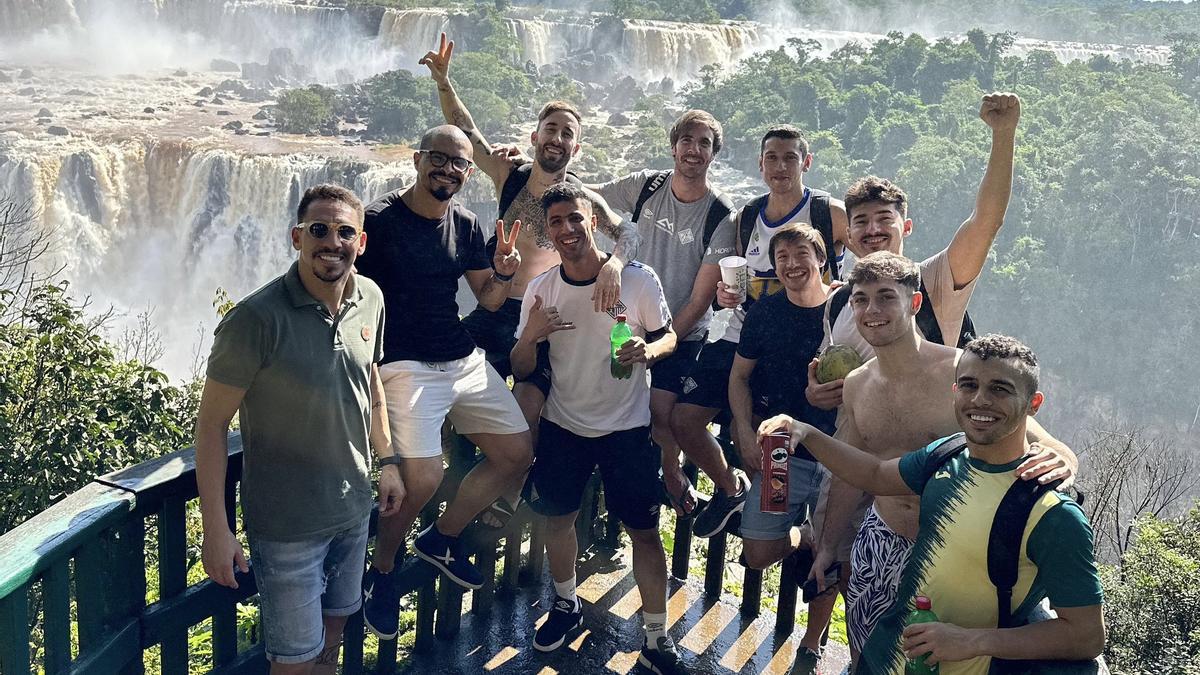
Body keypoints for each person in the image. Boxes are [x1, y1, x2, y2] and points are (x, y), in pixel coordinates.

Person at [801, 92, 1034, 658]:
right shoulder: (841, 301)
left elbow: (986, 221)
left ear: (904, 225)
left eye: (884, 220)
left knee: (930, 650)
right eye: (861, 223)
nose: (873, 230)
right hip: (862, 458)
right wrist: (814, 391)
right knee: (854, 600)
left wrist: (1003, 134)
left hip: (940, 512)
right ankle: (818, 648)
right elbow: (838, 384)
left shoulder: (931, 281)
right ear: (847, 236)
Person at [762, 333, 1105, 674]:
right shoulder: (948, 454)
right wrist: (804, 431)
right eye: (969, 385)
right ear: (954, 391)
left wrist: (973, 641)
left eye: (999, 389)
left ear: (1033, 403)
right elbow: (875, 474)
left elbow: (1085, 635)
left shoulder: (1052, 513)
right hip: (887, 656)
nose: (980, 400)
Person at [808, 253, 1077, 665]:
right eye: (860, 300)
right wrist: (828, 545)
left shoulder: (963, 376)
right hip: (881, 538)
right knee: (867, 651)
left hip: (952, 552)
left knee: (939, 663)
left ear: (914, 303)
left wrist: (1066, 462)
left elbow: (1046, 443)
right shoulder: (858, 384)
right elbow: (854, 473)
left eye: (885, 297)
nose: (872, 310)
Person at [195, 184, 404, 674]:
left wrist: (389, 461)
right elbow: (210, 427)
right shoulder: (254, 320)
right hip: (287, 527)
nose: (332, 241)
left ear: (362, 242)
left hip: (353, 510)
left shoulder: (370, 297)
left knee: (332, 640)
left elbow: (370, 382)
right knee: (293, 663)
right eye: (319, 230)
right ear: (296, 236)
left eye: (344, 231)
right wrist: (216, 529)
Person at [355, 126, 533, 640]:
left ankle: (442, 536)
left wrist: (502, 272)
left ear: (467, 172)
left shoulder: (467, 223)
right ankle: (381, 572)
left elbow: (490, 299)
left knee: (517, 452)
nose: (448, 169)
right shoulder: (378, 221)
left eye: (458, 163)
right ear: (416, 159)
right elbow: (343, 288)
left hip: (461, 358)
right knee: (425, 478)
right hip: (404, 364)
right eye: (439, 158)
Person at [511, 183, 687, 674]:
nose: (567, 229)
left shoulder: (636, 279)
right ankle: (565, 605)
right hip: (563, 424)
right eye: (557, 222)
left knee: (645, 532)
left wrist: (646, 352)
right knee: (558, 520)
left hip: (627, 429)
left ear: (593, 221)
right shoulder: (542, 288)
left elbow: (668, 336)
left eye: (575, 219)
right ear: (547, 231)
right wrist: (531, 334)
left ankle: (656, 635)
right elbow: (521, 364)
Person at [669, 124, 850, 540]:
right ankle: (735, 492)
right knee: (684, 418)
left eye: (790, 158)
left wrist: (852, 292)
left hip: (801, 340)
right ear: (760, 164)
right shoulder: (747, 216)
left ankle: (778, 522)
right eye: (772, 157)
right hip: (743, 333)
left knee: (757, 431)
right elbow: (730, 282)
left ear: (806, 162)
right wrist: (722, 297)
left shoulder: (828, 212)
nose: (781, 166)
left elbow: (877, 259)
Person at [588, 109, 737, 515]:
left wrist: (663, 339)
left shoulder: (721, 214)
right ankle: (622, 490)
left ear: (713, 154)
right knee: (616, 406)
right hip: (625, 322)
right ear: (674, 146)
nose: (694, 149)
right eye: (687, 140)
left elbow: (699, 300)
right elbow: (587, 197)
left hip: (682, 331)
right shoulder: (646, 186)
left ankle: (673, 475)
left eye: (703, 143)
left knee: (661, 412)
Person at [726, 224, 839, 673]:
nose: (791, 264)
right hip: (778, 452)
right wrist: (740, 427)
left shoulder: (848, 308)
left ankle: (810, 647)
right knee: (756, 552)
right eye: (782, 256)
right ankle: (802, 535)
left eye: (800, 254)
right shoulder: (766, 313)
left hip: (837, 455)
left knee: (831, 560)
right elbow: (738, 377)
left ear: (822, 259)